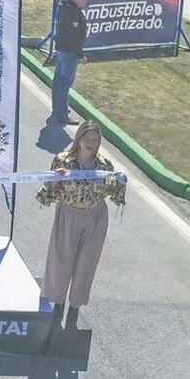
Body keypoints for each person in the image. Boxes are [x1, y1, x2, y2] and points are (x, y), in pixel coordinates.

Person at [36, 121, 125, 329]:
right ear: (79, 139)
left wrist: (121, 182)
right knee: (61, 260)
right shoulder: (63, 161)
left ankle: (74, 309)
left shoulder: (105, 165)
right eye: (86, 138)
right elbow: (49, 194)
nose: (90, 143)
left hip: (95, 218)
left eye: (94, 140)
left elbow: (114, 194)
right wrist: (56, 179)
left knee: (86, 264)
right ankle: (57, 305)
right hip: (68, 215)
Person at [50, 0, 89, 126]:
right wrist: (80, 55)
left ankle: (57, 108)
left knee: (58, 81)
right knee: (65, 83)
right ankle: (61, 113)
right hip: (68, 52)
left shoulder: (66, 7)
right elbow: (73, 36)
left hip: (62, 49)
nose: (85, 0)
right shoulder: (72, 12)